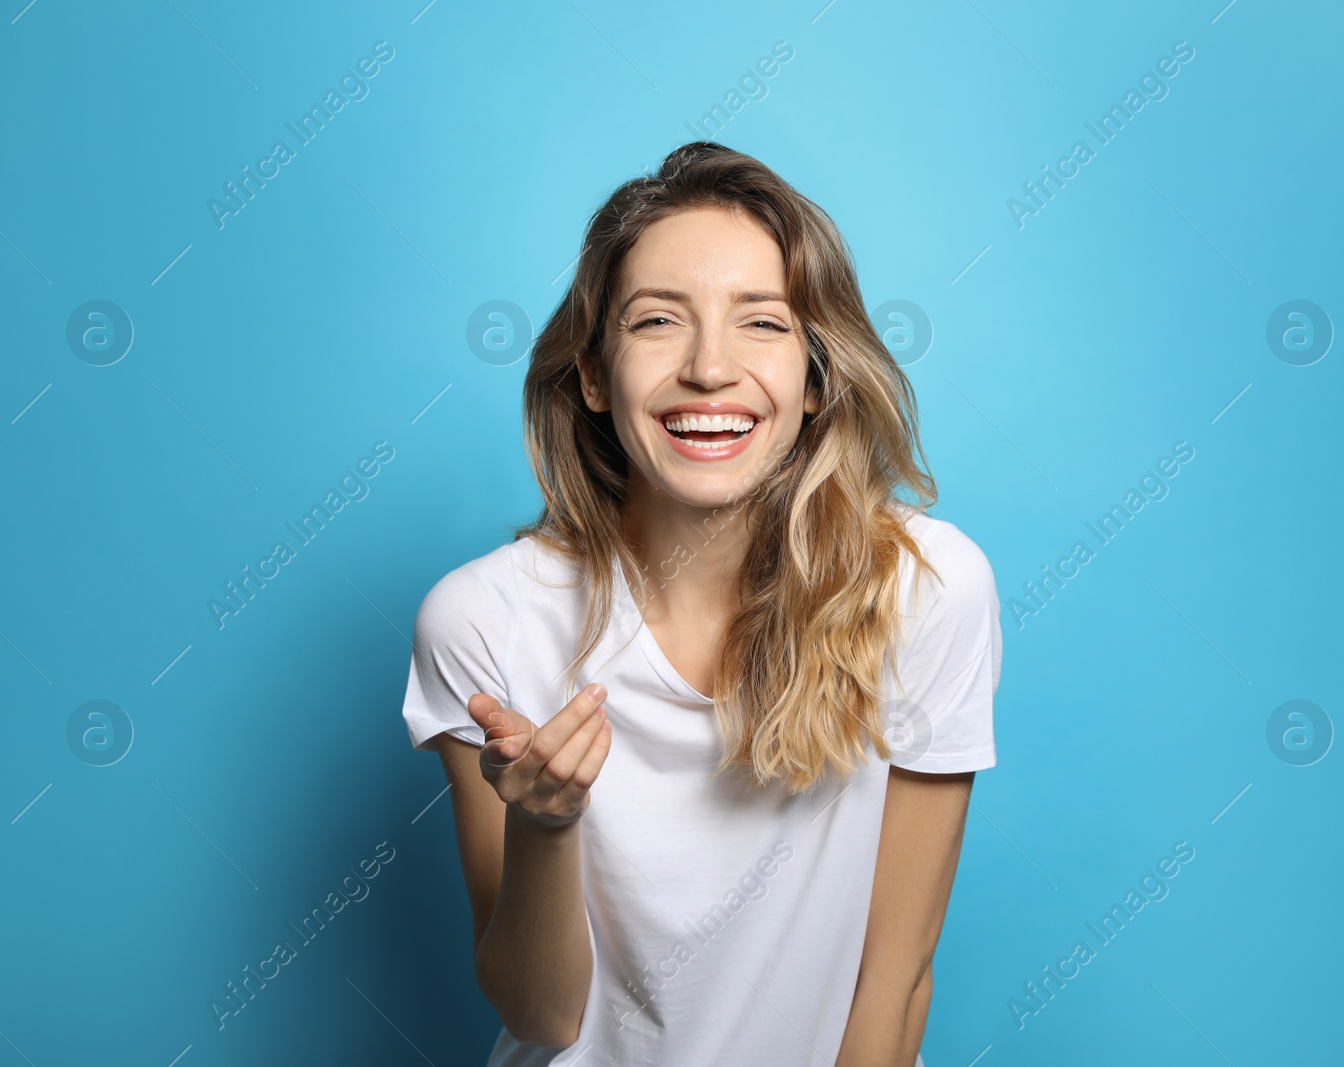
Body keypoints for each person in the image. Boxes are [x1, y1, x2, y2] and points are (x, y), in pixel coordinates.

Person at [401, 141, 1001, 1067]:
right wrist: (545, 823)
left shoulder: (926, 589)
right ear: (595, 375)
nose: (710, 370)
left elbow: (894, 983)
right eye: (656, 322)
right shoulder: (481, 620)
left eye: (761, 322)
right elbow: (542, 1015)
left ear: (817, 376)